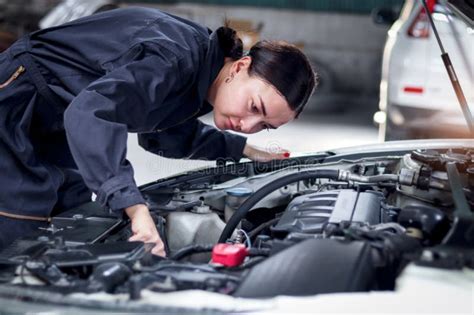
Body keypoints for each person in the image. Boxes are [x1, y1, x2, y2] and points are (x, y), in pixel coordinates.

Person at [0, 7, 317, 255]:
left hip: (58, 119)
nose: (248, 126)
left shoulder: (201, 76)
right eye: (255, 108)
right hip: (17, 102)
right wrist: (135, 207)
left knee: (74, 218)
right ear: (239, 67)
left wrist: (242, 149)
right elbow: (91, 113)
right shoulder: (174, 59)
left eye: (263, 126)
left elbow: (163, 134)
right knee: (21, 222)